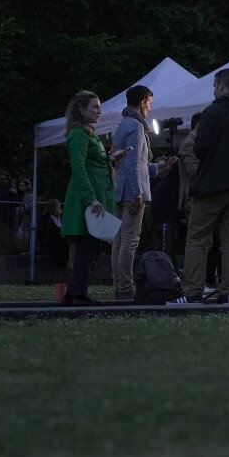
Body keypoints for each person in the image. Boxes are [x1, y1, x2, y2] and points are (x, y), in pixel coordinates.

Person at [180, 68, 229, 304]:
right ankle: (228, 292)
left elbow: (200, 148)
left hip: (211, 185)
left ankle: (193, 292)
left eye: (214, 86)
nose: (214, 91)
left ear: (221, 85)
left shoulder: (213, 112)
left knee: (197, 237)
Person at [60, 90, 114, 306]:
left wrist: (111, 159)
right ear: (82, 110)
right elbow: (79, 169)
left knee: (90, 248)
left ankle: (73, 293)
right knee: (87, 248)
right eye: (95, 107)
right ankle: (78, 295)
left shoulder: (88, 132)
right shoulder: (78, 134)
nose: (99, 110)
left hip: (96, 196)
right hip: (88, 198)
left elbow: (92, 162)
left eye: (99, 106)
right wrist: (91, 199)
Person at [110, 84, 162, 301]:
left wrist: (158, 168)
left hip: (120, 190)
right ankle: (126, 289)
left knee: (119, 242)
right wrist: (137, 193)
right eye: (149, 104)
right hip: (132, 192)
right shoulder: (137, 126)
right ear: (142, 102)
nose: (150, 109)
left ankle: (120, 286)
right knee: (129, 242)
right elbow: (132, 163)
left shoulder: (122, 124)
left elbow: (130, 164)